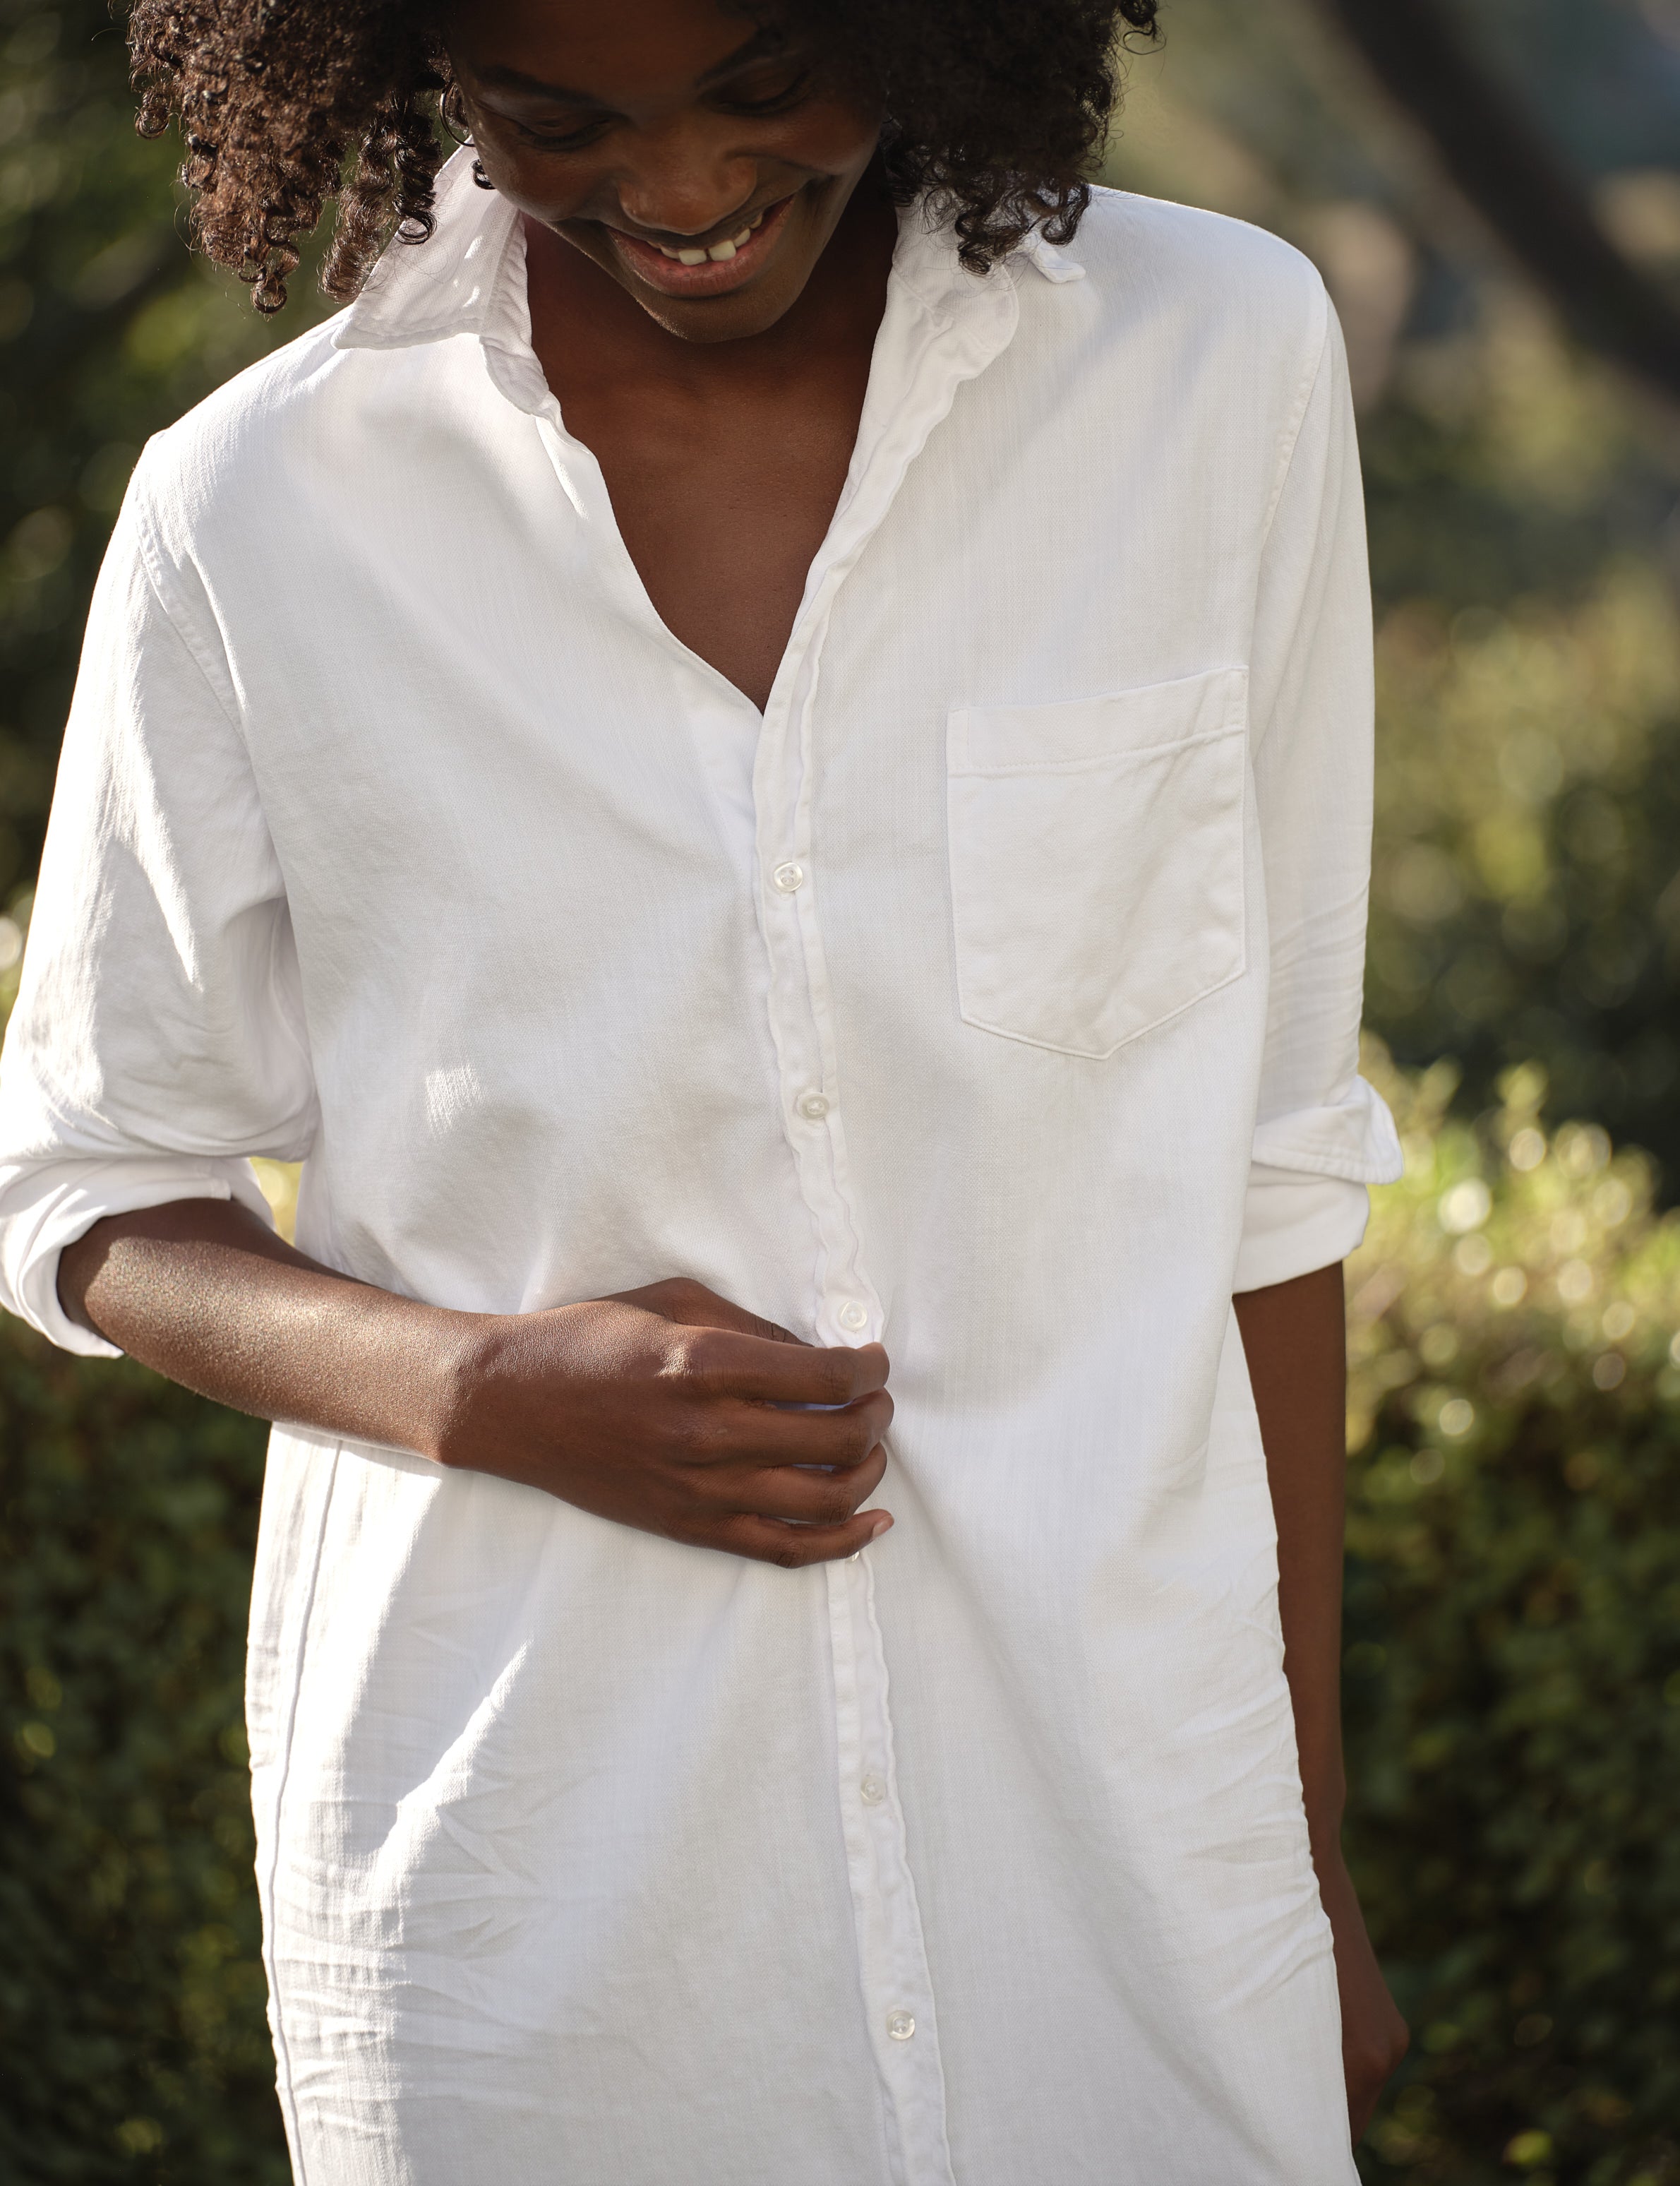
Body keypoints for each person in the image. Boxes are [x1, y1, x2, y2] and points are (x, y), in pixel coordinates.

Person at [0, 0, 1412, 2177]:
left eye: (762, 88)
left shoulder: (1209, 364)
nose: (675, 191)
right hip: (541, 1927)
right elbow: (85, 1188)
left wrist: (1295, 1870)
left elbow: (1264, 1176)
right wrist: (486, 1387)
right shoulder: (258, 511)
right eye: (558, 120)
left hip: (1126, 1875)